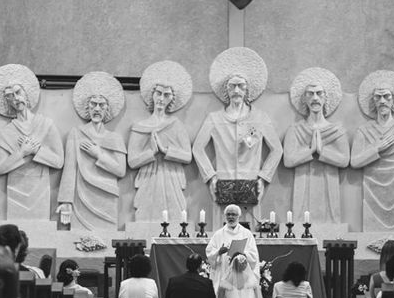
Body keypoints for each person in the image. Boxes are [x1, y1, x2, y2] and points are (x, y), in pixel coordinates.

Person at [193, 47, 282, 225]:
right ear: (226, 90)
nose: (236, 90)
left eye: (241, 86)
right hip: (223, 183)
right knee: (221, 230)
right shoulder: (215, 118)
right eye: (232, 86)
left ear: (247, 90)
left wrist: (263, 178)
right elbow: (197, 149)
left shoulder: (260, 118)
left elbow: (277, 150)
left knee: (251, 230)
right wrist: (211, 177)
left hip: (251, 183)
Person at [0, 65, 64, 219]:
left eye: (18, 92)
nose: (15, 98)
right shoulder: (6, 132)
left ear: (26, 93)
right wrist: (22, 152)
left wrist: (36, 151)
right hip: (15, 188)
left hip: (40, 187)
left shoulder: (46, 124)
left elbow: (58, 162)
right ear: (7, 102)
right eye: (10, 96)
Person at [350, 70, 394, 231]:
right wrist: (376, 149)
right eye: (378, 97)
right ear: (373, 101)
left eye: (386, 97)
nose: (382, 101)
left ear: (393, 100)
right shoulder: (364, 130)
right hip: (371, 187)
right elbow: (354, 161)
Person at [57, 72, 127, 229]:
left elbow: (121, 170)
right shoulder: (76, 133)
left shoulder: (114, 138)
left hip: (107, 195)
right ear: (87, 108)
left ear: (107, 109)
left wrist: (98, 154)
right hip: (81, 195)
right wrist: (66, 201)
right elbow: (70, 168)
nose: (97, 109)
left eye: (101, 105)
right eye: (93, 104)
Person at [127, 61, 194, 222]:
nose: (161, 99)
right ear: (152, 94)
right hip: (149, 178)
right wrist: (152, 152)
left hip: (171, 177)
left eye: (166, 95)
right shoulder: (140, 127)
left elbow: (187, 156)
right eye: (158, 93)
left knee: (174, 217)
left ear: (172, 99)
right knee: (146, 217)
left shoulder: (176, 125)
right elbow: (132, 161)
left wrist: (165, 150)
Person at [283, 68, 350, 224]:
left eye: (319, 93)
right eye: (310, 94)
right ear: (304, 99)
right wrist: (310, 151)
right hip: (303, 184)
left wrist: (321, 152)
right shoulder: (295, 130)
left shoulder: (336, 130)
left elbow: (345, 160)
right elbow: (288, 160)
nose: (315, 98)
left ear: (326, 98)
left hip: (329, 184)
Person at [205, 204, 260, 290]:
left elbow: (253, 255)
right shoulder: (218, 234)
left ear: (239, 216)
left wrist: (243, 254)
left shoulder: (247, 234)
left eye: (233, 214)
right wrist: (218, 252)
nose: (231, 217)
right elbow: (209, 252)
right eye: (228, 214)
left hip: (241, 273)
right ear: (225, 216)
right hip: (223, 272)